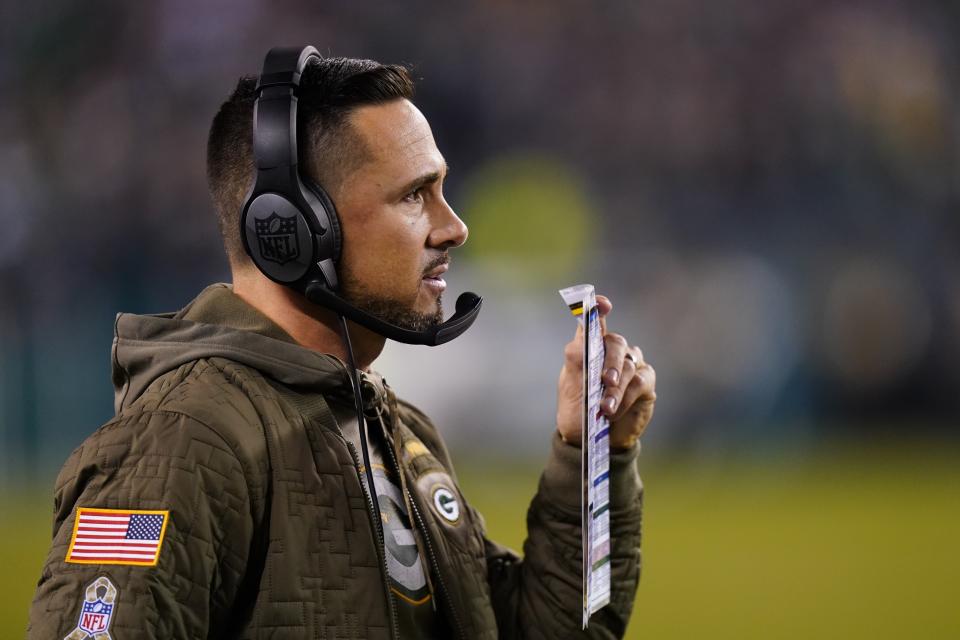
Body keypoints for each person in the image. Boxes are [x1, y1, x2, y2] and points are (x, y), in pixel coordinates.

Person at [28, 50, 656, 640]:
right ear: (293, 231)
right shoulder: (179, 440)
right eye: (415, 195)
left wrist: (592, 453)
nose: (454, 227)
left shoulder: (398, 431)